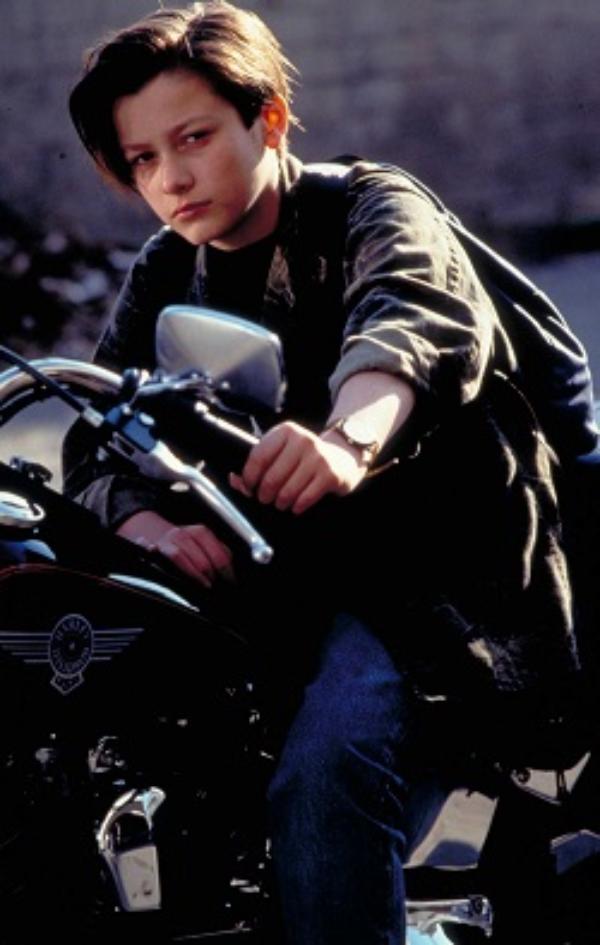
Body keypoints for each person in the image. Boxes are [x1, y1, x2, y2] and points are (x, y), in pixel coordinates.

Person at [64, 3, 584, 942]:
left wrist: (347, 438)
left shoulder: (372, 208)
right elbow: (98, 422)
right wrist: (143, 520)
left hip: (430, 576)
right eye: (142, 158)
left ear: (267, 120)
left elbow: (410, 318)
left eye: (194, 138)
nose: (170, 177)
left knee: (327, 770)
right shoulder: (167, 269)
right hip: (278, 572)